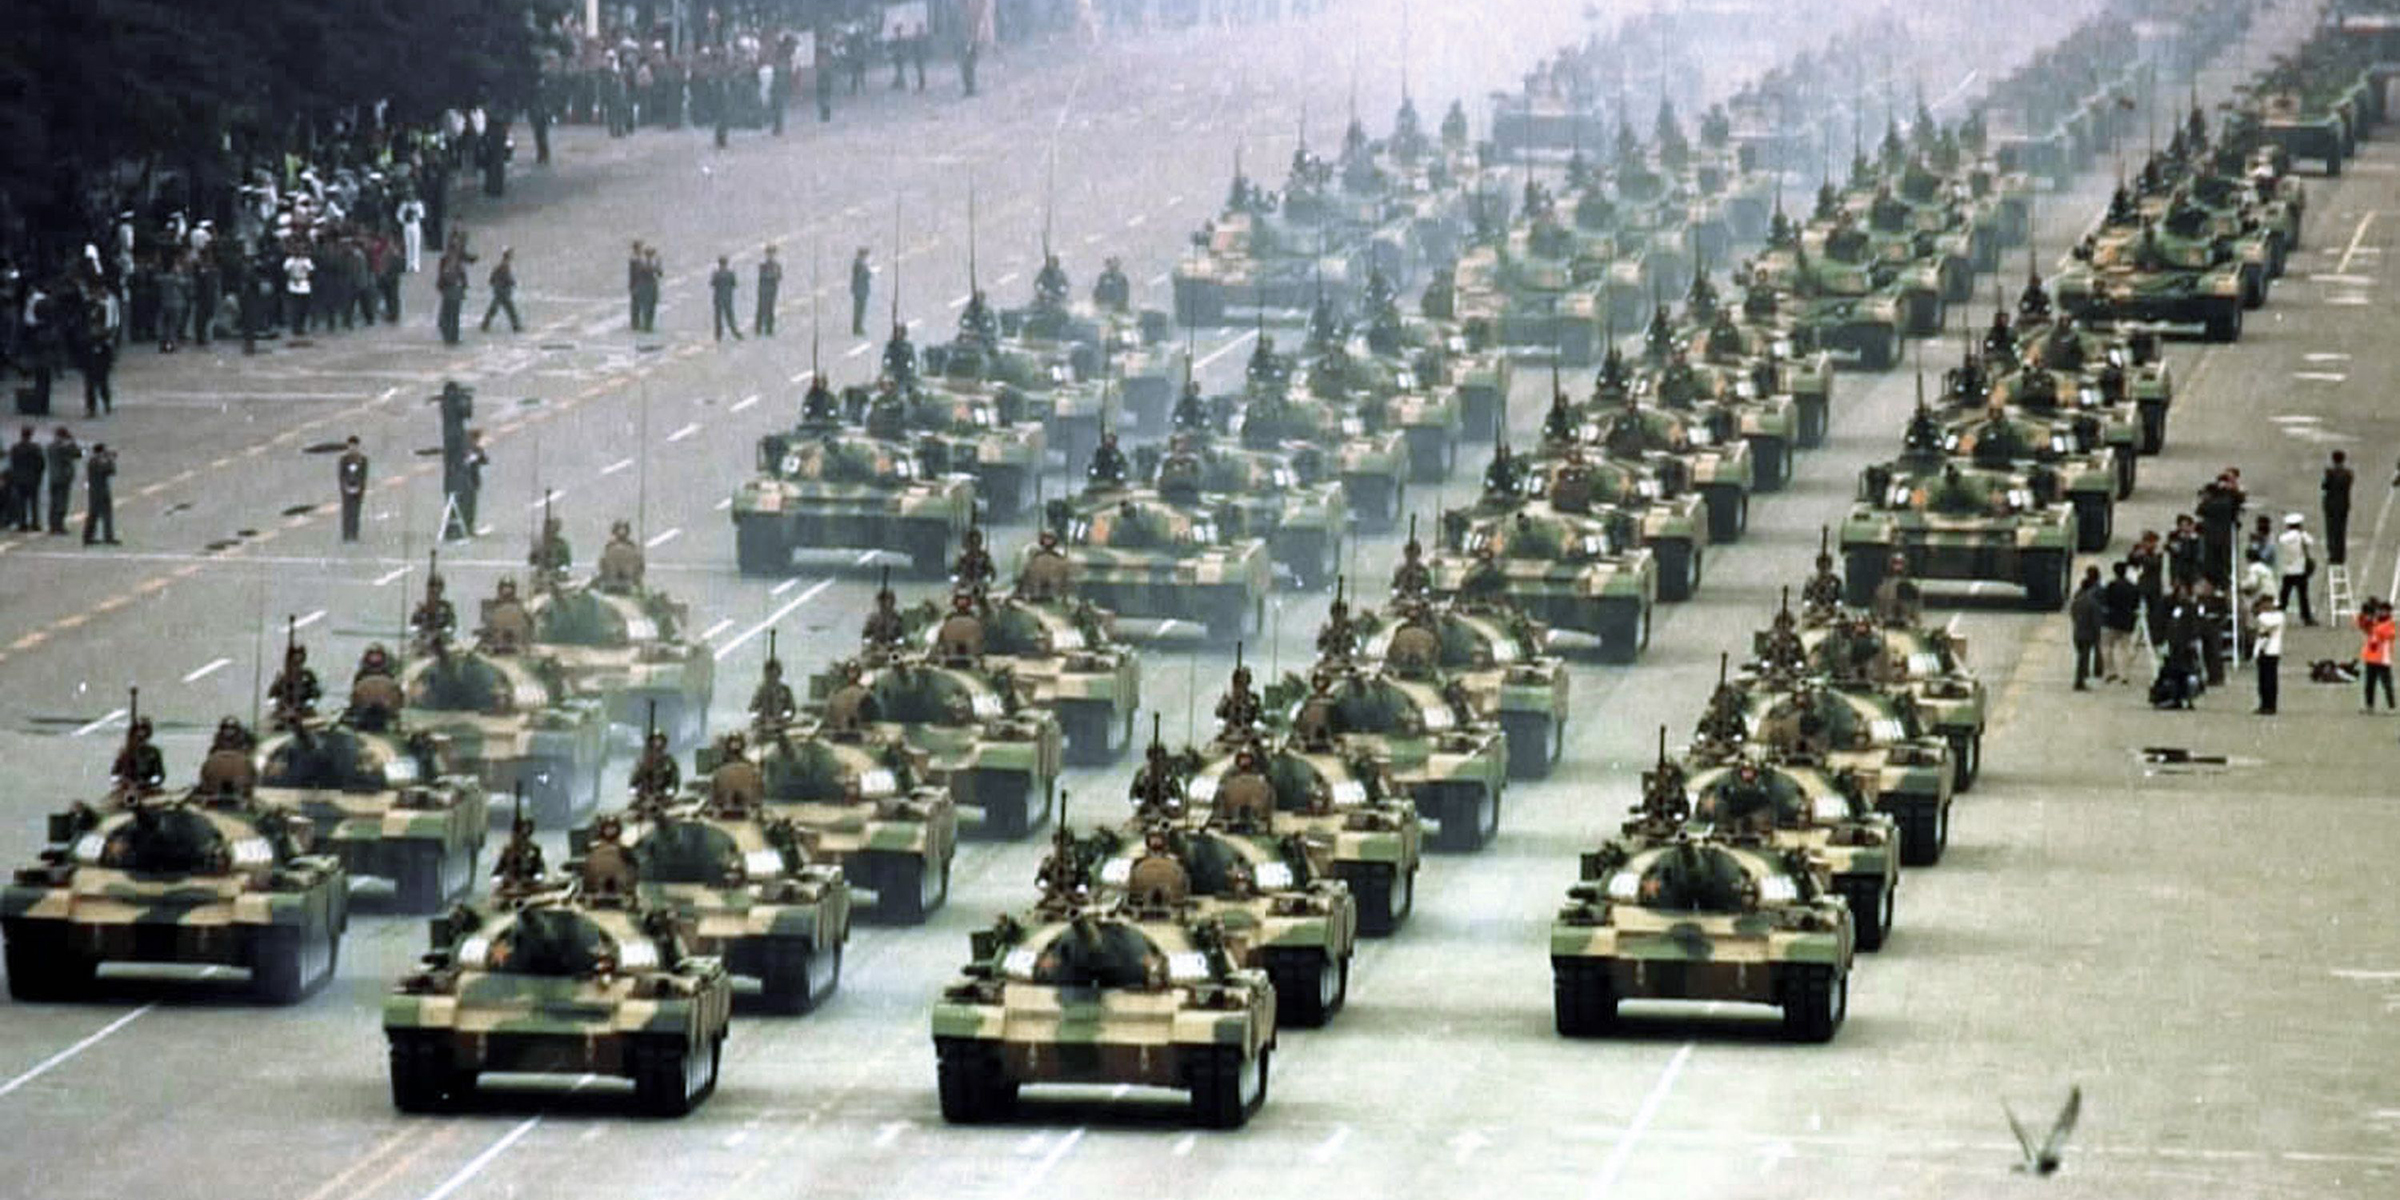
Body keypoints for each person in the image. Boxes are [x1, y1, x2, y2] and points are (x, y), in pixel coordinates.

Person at [2101, 561, 2141, 683]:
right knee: (2125, 648)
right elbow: (2136, 604)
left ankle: (2110, 670)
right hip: (2127, 620)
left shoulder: (2111, 586)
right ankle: (2125, 675)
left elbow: (2105, 601)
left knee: (2106, 646)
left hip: (2111, 619)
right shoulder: (2133, 587)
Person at [2275, 513, 2316, 625]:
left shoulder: (2284, 537)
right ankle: (2306, 617)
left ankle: (2279, 615)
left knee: (2284, 595)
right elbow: (2311, 542)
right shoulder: (2302, 536)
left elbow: (2279, 539)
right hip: (2300, 570)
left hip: (2287, 570)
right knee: (2303, 596)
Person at [2070, 566, 2104, 690]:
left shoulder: (2077, 600)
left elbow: (2073, 614)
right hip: (2088, 633)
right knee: (2084, 658)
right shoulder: (2092, 603)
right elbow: (2096, 620)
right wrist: (2097, 632)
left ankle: (2082, 678)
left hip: (2078, 631)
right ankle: (2080, 682)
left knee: (2081, 657)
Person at [2359, 599, 2395, 711]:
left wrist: (2373, 625)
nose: (2382, 613)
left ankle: (2391, 706)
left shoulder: (2389, 624)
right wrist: (2364, 616)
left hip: (2383, 659)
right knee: (2369, 684)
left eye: (2384, 611)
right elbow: (2362, 626)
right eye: (2381, 610)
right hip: (2371, 658)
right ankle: (2369, 706)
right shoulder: (2374, 622)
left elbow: (2386, 634)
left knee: (2386, 684)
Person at [2251, 595, 2284, 715]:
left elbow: (2267, 624)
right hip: (2262, 650)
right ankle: (2263, 703)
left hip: (2272, 651)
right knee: (2262, 680)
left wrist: (2259, 613)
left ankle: (2271, 705)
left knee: (2270, 679)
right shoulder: (2263, 617)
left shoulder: (2278, 616)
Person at [9, 425, 44, 532]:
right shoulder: (35, 448)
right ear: (31, 435)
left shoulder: (15, 448)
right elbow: (41, 464)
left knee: (21, 503)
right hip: (32, 478)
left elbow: (13, 463)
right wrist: (38, 475)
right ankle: (35, 523)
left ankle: (22, 523)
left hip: (19, 479)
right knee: (34, 503)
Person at [43, 427, 77, 536]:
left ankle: (52, 525)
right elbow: (77, 453)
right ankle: (59, 525)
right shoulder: (64, 448)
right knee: (62, 502)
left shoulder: (50, 447)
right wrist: (72, 441)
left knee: (53, 502)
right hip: (63, 478)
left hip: (53, 477)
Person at [2322, 449, 2353, 565]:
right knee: (2341, 530)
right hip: (2343, 504)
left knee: (2331, 530)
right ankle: (2341, 554)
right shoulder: (2348, 473)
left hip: (2330, 504)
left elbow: (2324, 486)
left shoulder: (2329, 472)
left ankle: (2332, 554)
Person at [81, 442, 116, 544]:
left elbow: (112, 471)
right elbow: (107, 470)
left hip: (101, 490)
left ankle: (108, 537)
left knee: (107, 515)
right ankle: (88, 537)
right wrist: (110, 460)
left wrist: (109, 460)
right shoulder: (94, 461)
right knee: (94, 515)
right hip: (96, 491)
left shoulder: (97, 461)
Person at [480, 248, 521, 333]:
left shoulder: (500, 265)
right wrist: (512, 283)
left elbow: (492, 279)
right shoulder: (504, 266)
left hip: (499, 290)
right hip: (503, 291)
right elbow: (506, 278)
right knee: (510, 310)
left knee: (494, 309)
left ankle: (485, 325)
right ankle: (516, 327)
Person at [337, 436, 368, 542]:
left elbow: (363, 475)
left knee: (355, 512)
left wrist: (359, 487)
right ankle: (346, 534)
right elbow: (341, 475)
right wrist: (345, 487)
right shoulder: (344, 459)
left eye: (354, 446)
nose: (352, 448)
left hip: (358, 489)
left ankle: (354, 534)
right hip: (346, 489)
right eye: (350, 446)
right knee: (347, 511)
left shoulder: (363, 460)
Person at [710, 256, 743, 342]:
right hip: (728, 298)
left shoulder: (716, 274)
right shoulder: (730, 274)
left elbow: (712, 284)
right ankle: (735, 332)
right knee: (730, 317)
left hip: (718, 298)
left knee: (718, 318)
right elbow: (734, 284)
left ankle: (718, 335)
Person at [755, 245, 781, 337]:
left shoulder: (777, 266)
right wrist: (771, 275)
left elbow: (779, 277)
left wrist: (773, 275)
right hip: (763, 289)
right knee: (761, 308)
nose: (770, 255)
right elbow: (762, 277)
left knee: (770, 309)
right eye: (769, 253)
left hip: (772, 290)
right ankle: (758, 328)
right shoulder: (763, 266)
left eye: (772, 253)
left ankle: (769, 328)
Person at [849, 247, 872, 336]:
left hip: (859, 290)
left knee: (859, 310)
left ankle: (857, 327)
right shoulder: (860, 264)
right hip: (860, 290)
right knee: (859, 310)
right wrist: (868, 272)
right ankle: (857, 328)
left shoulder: (860, 264)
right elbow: (864, 275)